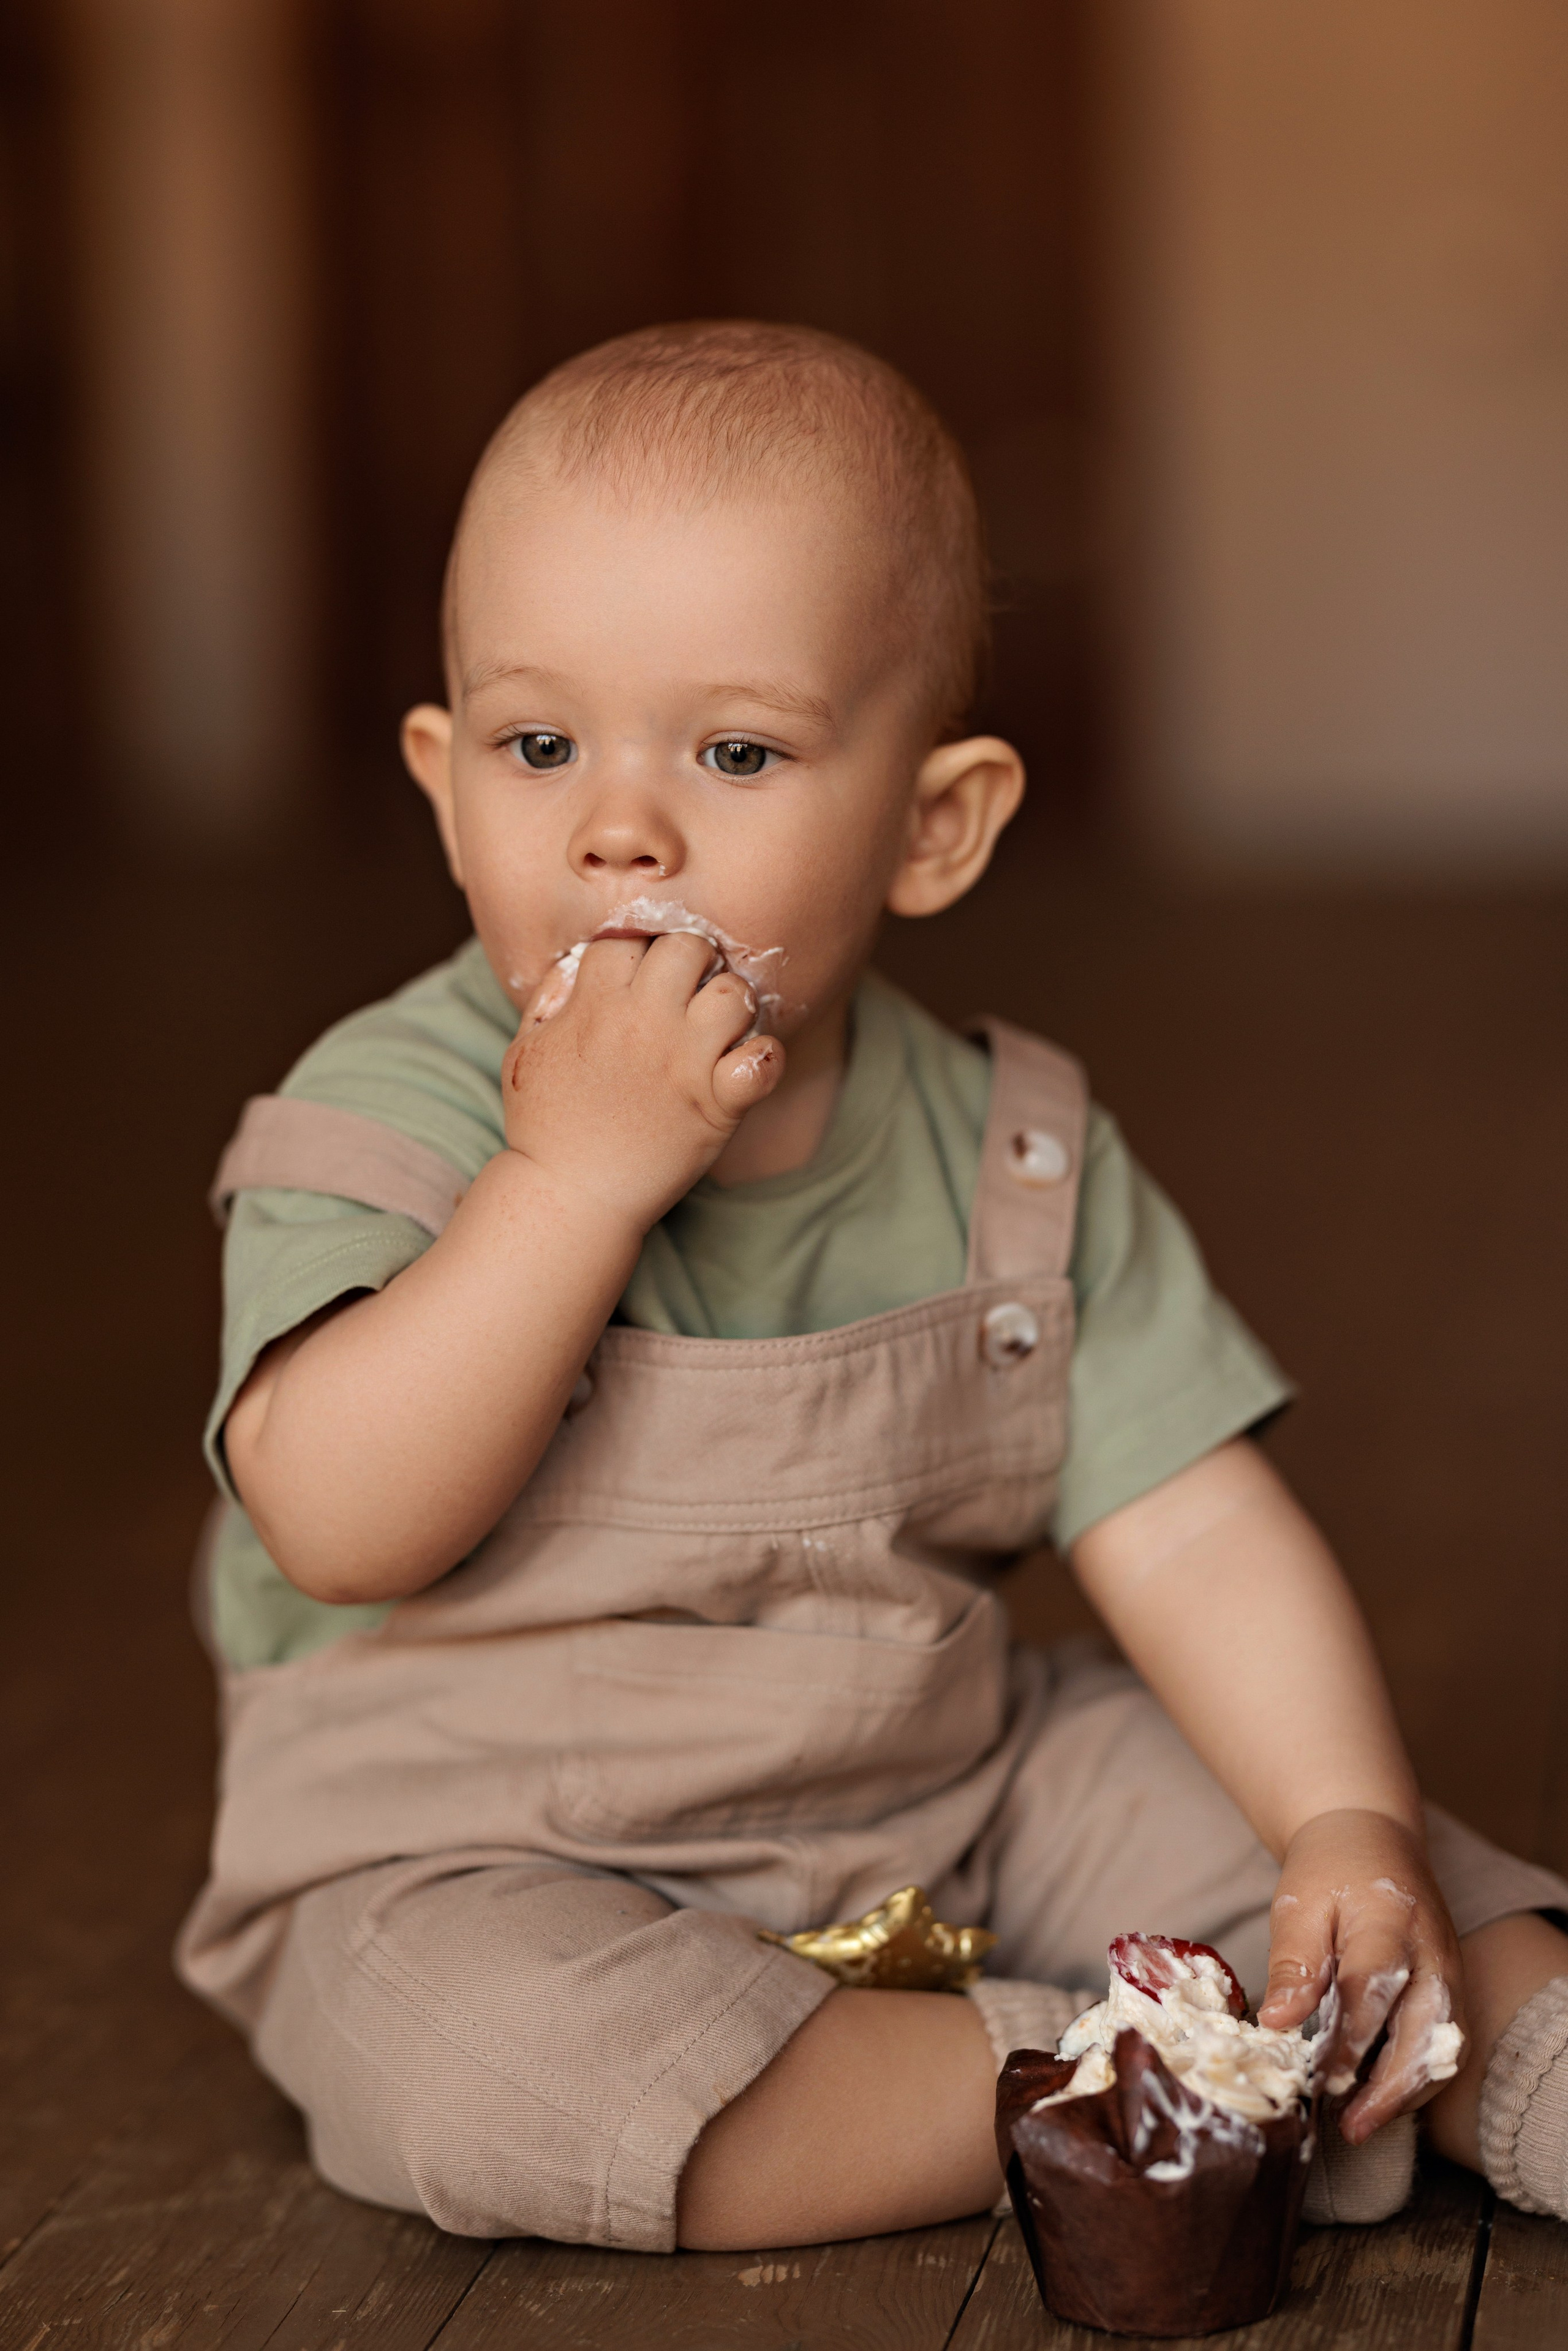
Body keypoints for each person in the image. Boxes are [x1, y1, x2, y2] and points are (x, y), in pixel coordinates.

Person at [178, 320, 1568, 2253]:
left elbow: (1189, 1530)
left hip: (943, 1790)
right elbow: (340, 1521)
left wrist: (1341, 1820)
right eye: (538, 745)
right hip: (468, 1848)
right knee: (491, 2076)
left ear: (933, 825)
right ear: (442, 781)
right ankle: (1098, 2076)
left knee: (1337, 1854)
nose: (618, 827)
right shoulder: (384, 1114)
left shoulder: (1007, 1152)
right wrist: (568, 1186)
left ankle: (1511, 2064)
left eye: (735, 751)